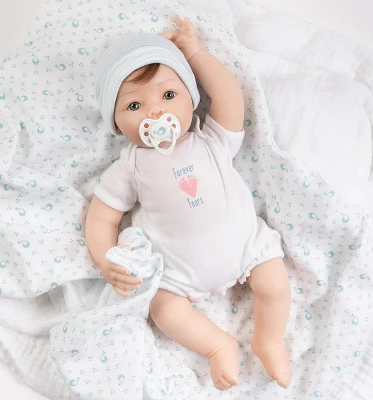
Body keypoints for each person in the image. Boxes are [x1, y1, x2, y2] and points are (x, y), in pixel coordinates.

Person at [86, 16, 291, 391]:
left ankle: (269, 340)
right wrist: (106, 259)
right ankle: (218, 346)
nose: (155, 113)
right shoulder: (130, 166)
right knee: (163, 309)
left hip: (246, 248)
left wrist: (196, 55)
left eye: (168, 96)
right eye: (134, 104)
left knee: (275, 284)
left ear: (192, 98)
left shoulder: (211, 140)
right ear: (115, 122)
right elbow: (102, 216)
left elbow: (230, 95)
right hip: (179, 273)